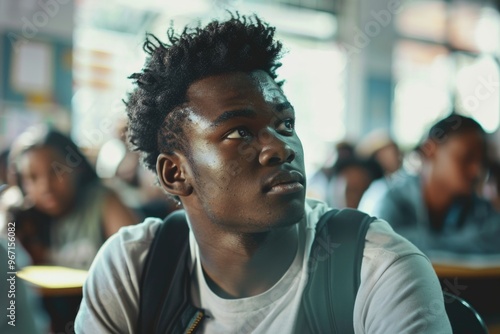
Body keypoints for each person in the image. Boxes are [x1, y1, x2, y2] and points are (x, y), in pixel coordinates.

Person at [75, 14, 451, 333]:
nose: (281, 147)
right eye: (238, 131)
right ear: (175, 173)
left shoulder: (376, 268)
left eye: (285, 124)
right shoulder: (137, 269)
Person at [5, 126, 138, 269]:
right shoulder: (23, 220)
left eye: (56, 171)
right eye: (32, 178)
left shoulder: (103, 201)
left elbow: (134, 259)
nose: (46, 187)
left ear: (77, 167)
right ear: (21, 185)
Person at [371, 114, 500, 255]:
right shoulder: (387, 199)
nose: (477, 171)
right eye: (467, 158)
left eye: (481, 161)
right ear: (430, 149)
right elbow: (381, 246)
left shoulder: (478, 207)